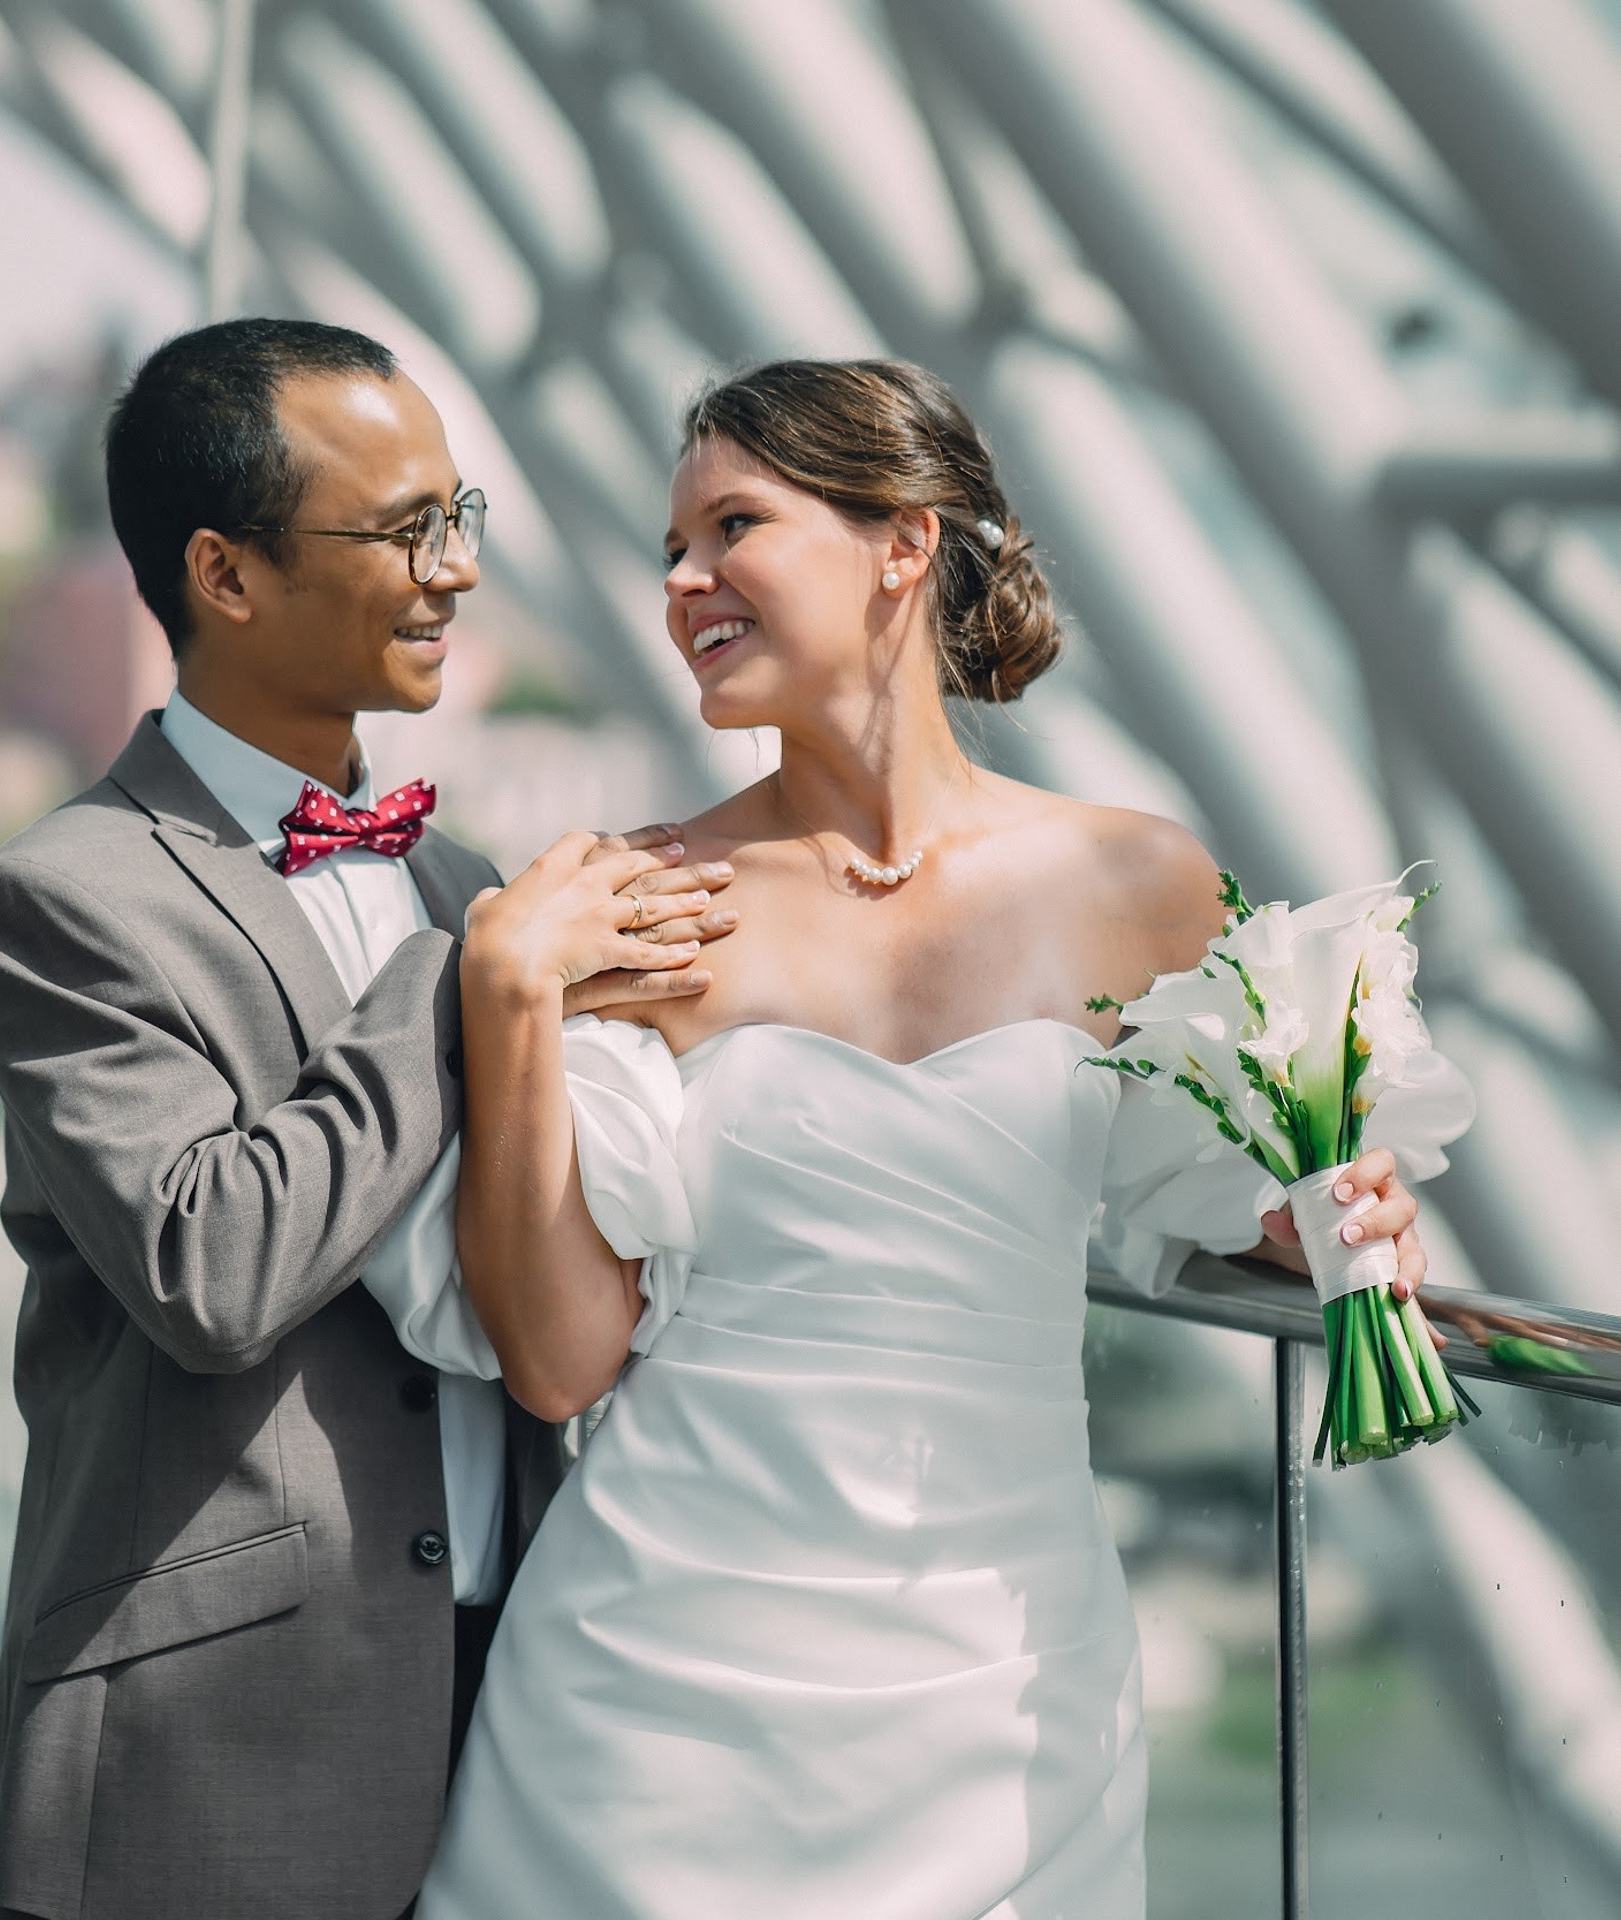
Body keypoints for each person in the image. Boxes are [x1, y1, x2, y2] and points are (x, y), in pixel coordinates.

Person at [379, 359, 1433, 1917]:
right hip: (658, 1697)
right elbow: (557, 1362)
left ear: (903, 542)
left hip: (1009, 1695)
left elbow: (1204, 1185)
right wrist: (511, 991)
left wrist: (1323, 1215)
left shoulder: (1137, 881)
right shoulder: (636, 899)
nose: (682, 583)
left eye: (732, 525)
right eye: (670, 549)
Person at [0, 318, 731, 1920]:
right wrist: (471, 979)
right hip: (214, 1741)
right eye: (404, 530)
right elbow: (208, 1267)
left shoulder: (466, 880)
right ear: (224, 576)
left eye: (464, 520)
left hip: (512, 1699)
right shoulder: (59, 901)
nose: (452, 571)